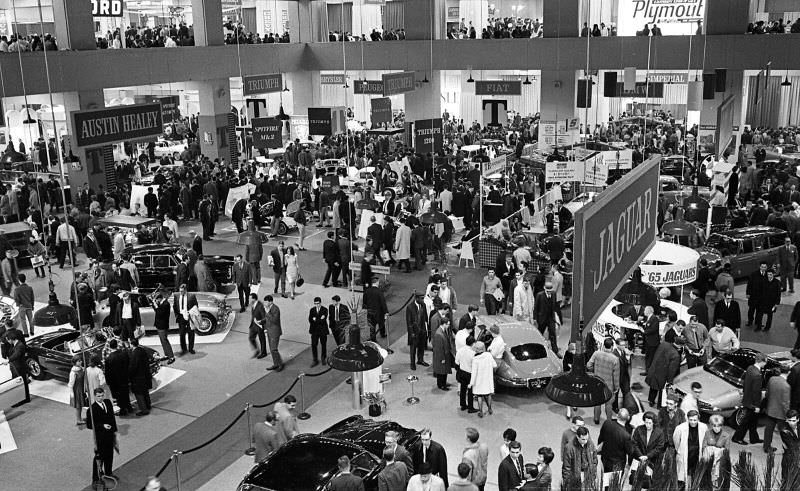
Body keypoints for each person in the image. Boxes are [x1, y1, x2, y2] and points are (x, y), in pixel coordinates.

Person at [732, 353, 767, 445]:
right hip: (752, 403)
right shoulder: (757, 375)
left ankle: (754, 438)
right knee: (745, 422)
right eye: (765, 362)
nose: (766, 364)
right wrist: (756, 406)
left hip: (747, 399)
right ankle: (737, 437)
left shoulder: (750, 368)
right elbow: (756, 392)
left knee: (753, 421)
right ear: (762, 361)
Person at [86, 388, 118, 481]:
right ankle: (96, 477)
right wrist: (102, 425)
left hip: (110, 434)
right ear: (95, 396)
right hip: (100, 437)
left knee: (109, 454)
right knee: (99, 456)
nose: (101, 398)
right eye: (98, 396)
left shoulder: (108, 402)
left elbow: (112, 417)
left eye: (102, 395)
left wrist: (114, 430)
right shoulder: (91, 410)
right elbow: (89, 425)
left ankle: (108, 472)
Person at [587, 337, 619, 424]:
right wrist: (616, 388)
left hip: (597, 383)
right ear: (612, 347)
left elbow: (588, 365)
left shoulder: (596, 354)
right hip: (609, 385)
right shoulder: (615, 359)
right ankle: (608, 421)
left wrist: (595, 371)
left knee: (597, 402)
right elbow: (615, 376)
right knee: (608, 404)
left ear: (603, 345)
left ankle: (596, 419)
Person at [646, 336, 684, 407]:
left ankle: (651, 401)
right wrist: (669, 381)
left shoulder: (663, 344)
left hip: (654, 369)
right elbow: (672, 370)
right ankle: (659, 405)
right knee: (662, 392)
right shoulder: (675, 355)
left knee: (653, 387)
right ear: (680, 346)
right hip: (663, 375)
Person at [674, 410, 708, 487]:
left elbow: (705, 440)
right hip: (685, 454)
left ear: (698, 419)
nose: (693, 422)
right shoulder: (680, 428)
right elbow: (676, 441)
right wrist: (680, 451)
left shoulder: (704, 427)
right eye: (691, 420)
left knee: (695, 476)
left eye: (695, 420)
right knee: (682, 478)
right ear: (687, 419)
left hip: (696, 455)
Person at [764, 368, 790, 453]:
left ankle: (766, 447)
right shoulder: (786, 385)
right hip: (781, 413)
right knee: (784, 432)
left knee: (768, 429)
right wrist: (788, 415)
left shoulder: (772, 379)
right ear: (788, 372)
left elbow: (767, 393)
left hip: (770, 409)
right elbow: (785, 403)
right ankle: (787, 449)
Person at [598, 408, 632, 474]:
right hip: (617, 465)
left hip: (605, 459)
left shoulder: (607, 423)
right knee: (614, 483)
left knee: (604, 480)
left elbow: (601, 438)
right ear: (628, 418)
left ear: (617, 415)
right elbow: (629, 451)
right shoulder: (626, 435)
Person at [104, 339, 133, 416]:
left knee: (118, 396)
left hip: (115, 381)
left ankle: (123, 410)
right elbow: (128, 365)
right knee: (126, 393)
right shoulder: (123, 354)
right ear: (117, 345)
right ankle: (129, 407)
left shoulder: (108, 359)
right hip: (124, 378)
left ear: (110, 347)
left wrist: (108, 382)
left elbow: (108, 372)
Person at [631, 411, 665, 477]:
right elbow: (634, 443)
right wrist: (640, 455)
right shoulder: (639, 429)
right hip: (638, 459)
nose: (647, 425)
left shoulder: (659, 432)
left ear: (654, 423)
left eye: (650, 423)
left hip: (651, 461)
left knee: (647, 480)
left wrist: (647, 456)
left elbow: (659, 447)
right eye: (646, 422)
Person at [533, 281, 561, 356]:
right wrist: (535, 318)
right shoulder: (539, 295)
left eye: (550, 291)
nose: (549, 293)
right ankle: (536, 349)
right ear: (544, 289)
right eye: (547, 291)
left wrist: (556, 317)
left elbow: (554, 306)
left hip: (550, 318)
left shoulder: (554, 294)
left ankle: (556, 350)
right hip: (542, 318)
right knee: (539, 334)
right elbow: (535, 308)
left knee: (553, 334)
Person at [469, 341, 497, 417]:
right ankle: (490, 409)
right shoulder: (489, 355)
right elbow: (495, 365)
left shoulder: (475, 359)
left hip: (479, 381)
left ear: (476, 349)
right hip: (487, 379)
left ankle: (481, 412)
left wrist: (471, 384)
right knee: (488, 395)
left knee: (479, 396)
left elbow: (474, 373)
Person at [703, 414, 731, 486]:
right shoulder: (707, 433)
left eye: (718, 426)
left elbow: (726, 450)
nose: (716, 428)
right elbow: (704, 446)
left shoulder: (726, 435)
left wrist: (718, 451)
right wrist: (710, 450)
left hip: (719, 460)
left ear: (721, 426)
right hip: (709, 458)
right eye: (714, 425)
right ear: (711, 425)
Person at [129, 338, 152, 416]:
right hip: (145, 375)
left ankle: (143, 409)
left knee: (139, 394)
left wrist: (129, 374)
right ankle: (148, 405)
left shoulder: (134, 354)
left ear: (132, 344)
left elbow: (133, 367)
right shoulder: (142, 350)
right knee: (145, 392)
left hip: (137, 377)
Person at [5, 329, 29, 405]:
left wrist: (8, 360)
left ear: (11, 339)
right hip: (16, 367)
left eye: (8, 340)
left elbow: (17, 355)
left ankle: (24, 399)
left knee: (21, 383)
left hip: (20, 367)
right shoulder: (15, 345)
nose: (8, 342)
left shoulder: (20, 345)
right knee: (21, 383)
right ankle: (23, 398)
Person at [363, 276, 389, 344]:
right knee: (381, 324)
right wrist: (386, 312)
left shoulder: (367, 291)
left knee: (372, 326)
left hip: (370, 312)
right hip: (379, 312)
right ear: (376, 282)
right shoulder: (379, 292)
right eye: (378, 282)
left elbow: (364, 302)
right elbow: (383, 303)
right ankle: (382, 334)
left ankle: (373, 338)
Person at [406, 292, 429, 370]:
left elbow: (425, 317)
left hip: (422, 330)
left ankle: (420, 360)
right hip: (414, 331)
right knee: (413, 348)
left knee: (421, 346)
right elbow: (408, 322)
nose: (423, 300)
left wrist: (426, 329)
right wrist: (411, 332)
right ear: (416, 298)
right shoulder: (410, 307)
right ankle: (412, 363)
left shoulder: (423, 305)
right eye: (421, 298)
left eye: (423, 298)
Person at [173, 284, 197, 355]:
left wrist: (191, 314)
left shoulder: (191, 296)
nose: (181, 293)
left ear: (186, 290)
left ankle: (191, 349)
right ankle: (183, 349)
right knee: (182, 334)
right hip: (181, 317)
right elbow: (174, 306)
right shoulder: (176, 296)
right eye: (180, 291)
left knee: (191, 333)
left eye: (182, 291)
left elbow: (196, 306)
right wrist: (177, 315)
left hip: (189, 316)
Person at [152, 293, 175, 364]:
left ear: (160, 298)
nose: (156, 301)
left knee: (165, 341)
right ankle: (166, 355)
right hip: (159, 325)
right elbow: (157, 311)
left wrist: (156, 306)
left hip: (163, 326)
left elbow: (160, 313)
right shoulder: (162, 303)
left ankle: (171, 357)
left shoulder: (166, 304)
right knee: (162, 341)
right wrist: (154, 305)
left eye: (157, 300)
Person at [264, 295, 284, 371]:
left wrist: (268, 312)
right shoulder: (267, 308)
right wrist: (265, 328)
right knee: (272, 349)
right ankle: (276, 364)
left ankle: (280, 364)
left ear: (271, 302)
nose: (264, 303)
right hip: (269, 331)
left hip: (275, 332)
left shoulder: (276, 309)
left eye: (266, 301)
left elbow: (274, 320)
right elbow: (266, 319)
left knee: (274, 349)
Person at [432, 317, 453, 390]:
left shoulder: (443, 330)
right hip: (442, 356)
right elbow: (438, 349)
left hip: (445, 354)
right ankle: (441, 385)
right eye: (448, 324)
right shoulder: (438, 334)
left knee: (444, 371)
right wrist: (442, 358)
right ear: (444, 324)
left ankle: (443, 383)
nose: (448, 326)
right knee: (442, 371)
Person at [746, 261, 769, 327]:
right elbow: (749, 284)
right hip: (753, 296)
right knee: (751, 310)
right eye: (762, 267)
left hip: (762, 297)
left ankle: (758, 322)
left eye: (765, 267)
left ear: (766, 267)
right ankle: (750, 321)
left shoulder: (768, 275)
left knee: (760, 311)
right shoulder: (754, 274)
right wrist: (748, 293)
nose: (763, 268)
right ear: (759, 267)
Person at [780, 409, 800, 481]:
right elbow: (793, 446)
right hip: (789, 459)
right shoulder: (784, 430)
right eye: (789, 420)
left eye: (793, 421)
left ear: (798, 420)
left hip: (797, 457)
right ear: (786, 420)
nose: (791, 423)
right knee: (787, 481)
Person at [308, 296, 329, 366]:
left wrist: (315, 319)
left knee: (323, 344)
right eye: (315, 303)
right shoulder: (312, 310)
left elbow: (323, 320)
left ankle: (323, 358)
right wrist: (318, 319)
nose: (317, 305)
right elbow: (310, 319)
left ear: (320, 303)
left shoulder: (325, 310)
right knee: (314, 345)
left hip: (322, 330)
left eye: (318, 303)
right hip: (314, 330)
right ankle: (315, 359)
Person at [68, 355, 88, 425]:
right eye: (79, 361)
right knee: (78, 407)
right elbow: (70, 384)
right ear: (75, 362)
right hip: (76, 391)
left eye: (81, 360)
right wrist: (72, 394)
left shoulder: (80, 368)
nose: (81, 361)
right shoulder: (73, 372)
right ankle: (78, 420)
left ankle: (79, 418)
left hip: (81, 389)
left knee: (80, 406)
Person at [642, 305, 660, 373]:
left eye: (645, 310)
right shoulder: (650, 318)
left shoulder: (654, 318)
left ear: (648, 311)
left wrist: (644, 331)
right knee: (648, 356)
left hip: (652, 342)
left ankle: (648, 372)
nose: (644, 311)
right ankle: (648, 370)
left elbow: (653, 329)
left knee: (650, 357)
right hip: (649, 341)